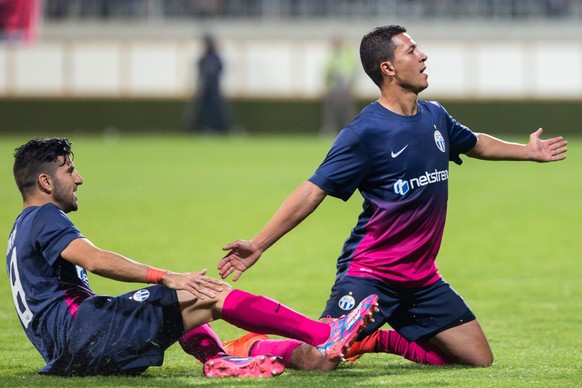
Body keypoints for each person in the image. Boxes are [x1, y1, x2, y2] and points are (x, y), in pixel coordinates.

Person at [217, 24, 568, 370]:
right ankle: (256, 343)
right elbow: (313, 189)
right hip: (372, 273)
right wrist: (259, 244)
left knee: (477, 358)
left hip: (421, 278)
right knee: (319, 362)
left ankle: (375, 339)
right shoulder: (364, 131)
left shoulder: (435, 116)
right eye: (412, 51)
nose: (423, 56)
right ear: (388, 68)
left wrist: (528, 151)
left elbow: (475, 142)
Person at [5, 137, 379, 377]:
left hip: (73, 345)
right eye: (70, 170)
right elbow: (95, 260)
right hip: (84, 335)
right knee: (207, 292)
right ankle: (326, 333)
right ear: (45, 182)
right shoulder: (44, 216)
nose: (80, 179)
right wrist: (162, 275)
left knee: (181, 299)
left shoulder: (21, 228)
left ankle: (219, 359)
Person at [185, 33, 230, 134]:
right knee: (202, 110)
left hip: (214, 89)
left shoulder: (216, 58)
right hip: (204, 89)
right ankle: (203, 128)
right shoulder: (203, 59)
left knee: (217, 109)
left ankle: (219, 129)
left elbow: (219, 71)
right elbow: (201, 73)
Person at [320, 37, 358, 136]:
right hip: (333, 87)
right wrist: (327, 87)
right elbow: (327, 72)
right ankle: (330, 129)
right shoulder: (332, 55)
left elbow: (353, 70)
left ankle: (350, 129)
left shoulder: (347, 54)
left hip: (345, 86)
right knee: (331, 110)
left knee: (347, 110)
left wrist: (351, 86)